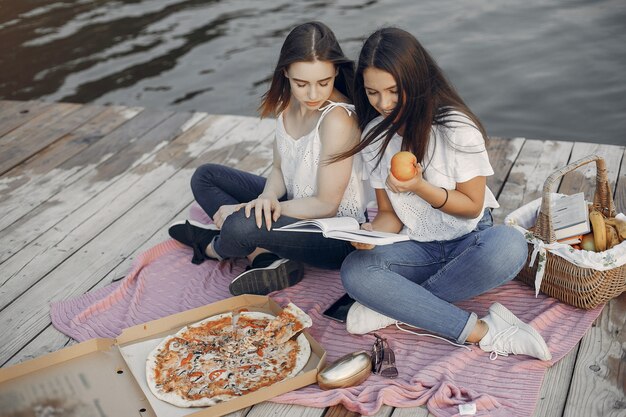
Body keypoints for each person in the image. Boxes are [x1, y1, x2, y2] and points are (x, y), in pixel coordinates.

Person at [336, 27, 551, 361]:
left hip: (470, 240)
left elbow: (471, 207)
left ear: (416, 80)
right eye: (373, 93)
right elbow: (389, 215)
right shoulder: (375, 136)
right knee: (355, 270)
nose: (384, 103)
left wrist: (421, 187)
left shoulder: (455, 130)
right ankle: (485, 331)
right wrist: (370, 235)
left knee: (509, 245)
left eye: (394, 90)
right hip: (417, 245)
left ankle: (398, 308)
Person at [168, 21, 367, 296]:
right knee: (206, 176)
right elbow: (278, 169)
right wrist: (267, 199)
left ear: (335, 71)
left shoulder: (337, 119)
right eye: (301, 83)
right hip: (298, 206)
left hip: (333, 234)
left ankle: (212, 247)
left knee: (241, 223)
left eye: (324, 82)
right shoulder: (288, 105)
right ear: (285, 72)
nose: (313, 94)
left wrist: (245, 210)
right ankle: (263, 255)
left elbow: (327, 204)